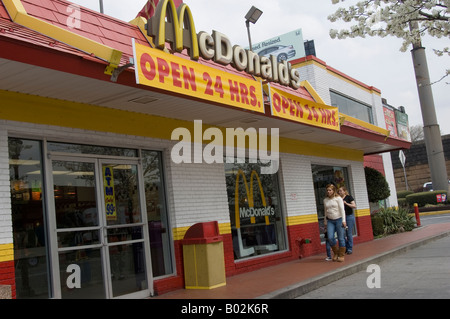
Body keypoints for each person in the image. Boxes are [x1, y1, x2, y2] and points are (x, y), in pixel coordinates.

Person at [323, 184, 346, 262]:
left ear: (333, 191)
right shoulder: (325, 200)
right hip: (330, 220)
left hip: (339, 219)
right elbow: (325, 211)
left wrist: (344, 220)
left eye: (330, 190)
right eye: (327, 190)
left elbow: (342, 210)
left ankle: (341, 255)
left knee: (340, 238)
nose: (328, 191)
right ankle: (336, 253)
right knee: (330, 237)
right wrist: (325, 221)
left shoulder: (338, 198)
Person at [338, 186, 357, 255]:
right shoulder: (338, 198)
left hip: (349, 217)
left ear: (344, 191)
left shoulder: (349, 197)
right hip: (341, 218)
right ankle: (345, 247)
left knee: (348, 233)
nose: (339, 192)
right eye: (339, 191)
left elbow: (354, 206)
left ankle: (349, 248)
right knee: (342, 234)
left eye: (341, 191)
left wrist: (346, 203)